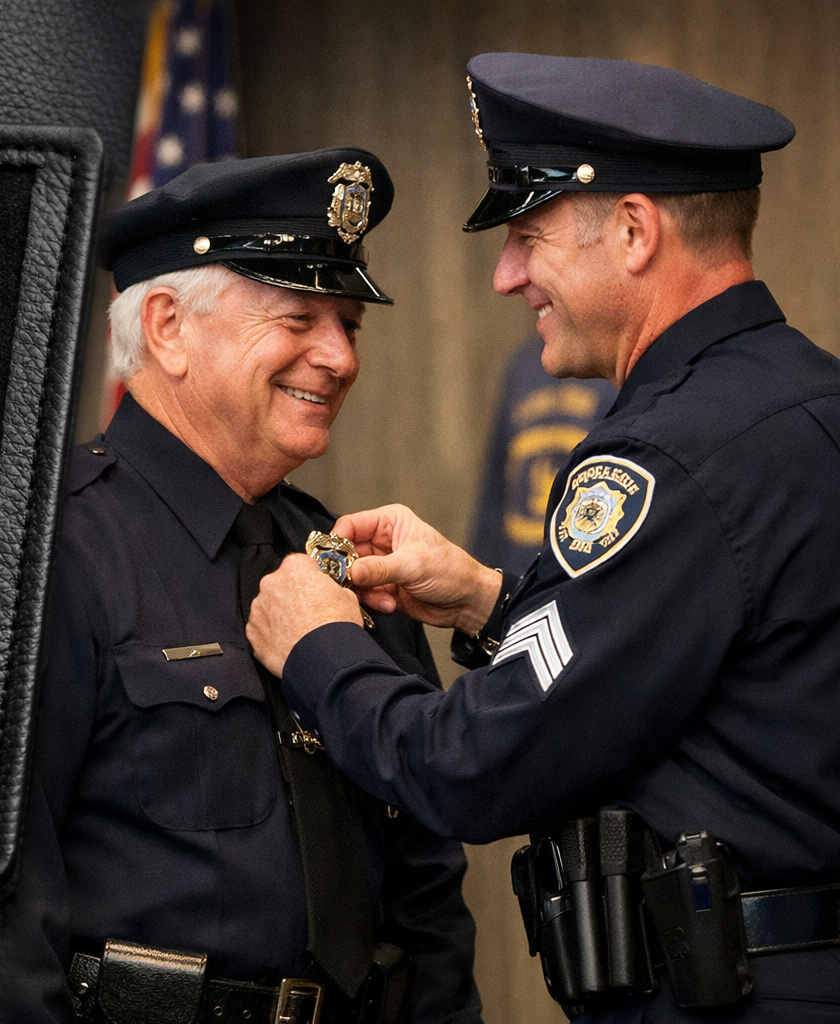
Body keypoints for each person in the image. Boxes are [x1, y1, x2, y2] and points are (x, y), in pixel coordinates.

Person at [246, 54, 840, 1022]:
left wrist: (321, 649)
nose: (505, 275)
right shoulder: (803, 399)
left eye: (528, 237)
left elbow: (472, 769)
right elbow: (693, 665)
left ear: (636, 231)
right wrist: (489, 600)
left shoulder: (669, 458)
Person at [30, 147, 482, 1024]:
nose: (339, 357)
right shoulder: (61, 550)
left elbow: (425, 891)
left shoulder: (346, 557)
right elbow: (6, 903)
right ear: (168, 327)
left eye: (349, 324)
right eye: (299, 317)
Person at [468, 333, 614, 579]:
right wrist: (479, 570)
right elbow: (495, 490)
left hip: (583, 576)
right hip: (516, 577)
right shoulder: (523, 363)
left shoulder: (617, 368)